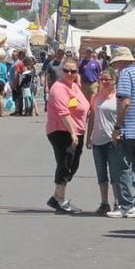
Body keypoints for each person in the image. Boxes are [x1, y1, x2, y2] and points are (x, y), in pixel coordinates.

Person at [107, 47, 135, 219]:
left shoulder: (126, 74)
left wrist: (117, 127)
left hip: (128, 128)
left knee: (123, 168)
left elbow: (125, 102)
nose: (116, 67)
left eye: (116, 63)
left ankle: (126, 205)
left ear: (122, 61)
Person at [45, 57, 89, 214]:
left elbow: (80, 106)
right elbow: (64, 113)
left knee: (73, 165)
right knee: (65, 164)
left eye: (73, 71)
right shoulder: (58, 88)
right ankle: (61, 201)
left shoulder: (75, 86)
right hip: (62, 131)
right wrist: (72, 133)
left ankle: (55, 197)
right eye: (66, 70)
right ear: (61, 70)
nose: (69, 73)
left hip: (77, 130)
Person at [85, 68, 119, 215]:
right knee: (101, 174)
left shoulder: (118, 98)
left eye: (107, 79)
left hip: (113, 141)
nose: (104, 82)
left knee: (115, 173)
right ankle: (104, 202)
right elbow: (92, 117)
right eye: (101, 79)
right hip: (98, 141)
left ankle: (118, 202)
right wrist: (89, 136)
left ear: (114, 80)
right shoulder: (95, 97)